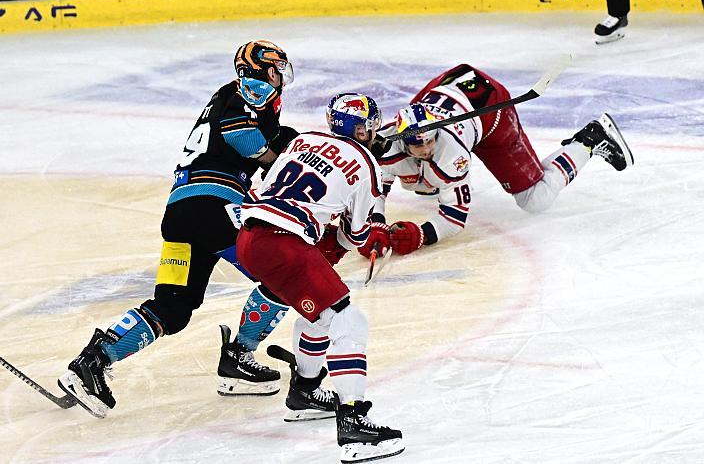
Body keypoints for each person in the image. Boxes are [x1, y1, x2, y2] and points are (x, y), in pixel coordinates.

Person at [58, 40, 299, 418]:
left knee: (173, 308)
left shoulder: (235, 100)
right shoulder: (238, 95)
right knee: (286, 276)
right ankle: (238, 356)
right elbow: (246, 141)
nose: (279, 76)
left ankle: (92, 362)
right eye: (275, 69)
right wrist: (282, 154)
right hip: (215, 210)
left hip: (182, 214)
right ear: (261, 71)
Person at [235, 93, 404, 462]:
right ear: (367, 127)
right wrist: (374, 228)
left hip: (250, 237)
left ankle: (304, 393)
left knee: (321, 315)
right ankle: (354, 423)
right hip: (284, 243)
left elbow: (273, 191)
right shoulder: (366, 163)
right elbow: (357, 236)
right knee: (348, 319)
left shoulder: (301, 140)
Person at [359, 64, 633, 257]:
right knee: (422, 184)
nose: (428, 147)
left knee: (535, 199)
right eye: (420, 143)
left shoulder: (450, 154)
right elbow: (377, 183)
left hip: (489, 109)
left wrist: (421, 236)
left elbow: (453, 219)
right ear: (403, 140)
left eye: (432, 139)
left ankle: (590, 139)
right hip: (448, 84)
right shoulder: (388, 143)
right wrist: (377, 223)